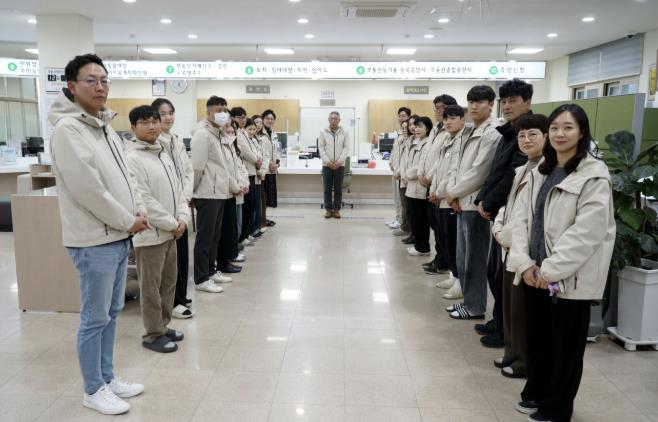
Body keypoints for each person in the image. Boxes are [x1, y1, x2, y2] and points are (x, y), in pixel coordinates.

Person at [49, 54, 146, 415]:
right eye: (91, 80)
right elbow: (88, 189)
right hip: (94, 239)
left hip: (117, 235)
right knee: (94, 317)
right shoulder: (68, 129)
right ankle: (93, 388)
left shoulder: (104, 126)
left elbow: (126, 176)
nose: (100, 87)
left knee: (112, 311)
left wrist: (138, 210)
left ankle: (107, 376)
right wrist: (126, 219)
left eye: (104, 80)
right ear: (72, 87)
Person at [509, 104, 615, 422]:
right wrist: (525, 264)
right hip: (533, 273)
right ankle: (536, 392)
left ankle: (557, 407)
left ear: (581, 133)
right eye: (555, 127)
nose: (560, 134)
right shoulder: (541, 170)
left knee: (564, 347)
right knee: (538, 340)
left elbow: (587, 232)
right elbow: (521, 220)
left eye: (568, 127)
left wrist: (550, 270)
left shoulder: (593, 174)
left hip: (568, 278)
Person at [125, 105, 190, 353]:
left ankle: (163, 325)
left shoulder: (162, 153)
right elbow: (143, 200)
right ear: (133, 128)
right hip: (151, 234)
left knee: (168, 283)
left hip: (171, 232)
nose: (152, 126)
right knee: (151, 288)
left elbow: (178, 190)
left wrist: (182, 218)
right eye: (145, 122)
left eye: (155, 121)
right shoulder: (132, 158)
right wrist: (173, 224)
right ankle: (152, 334)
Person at [475, 78, 533, 347]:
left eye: (513, 101)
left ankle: (504, 330)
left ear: (527, 102)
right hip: (499, 212)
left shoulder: (526, 132)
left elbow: (512, 175)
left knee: (505, 276)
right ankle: (498, 321)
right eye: (505, 101)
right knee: (494, 273)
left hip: (513, 214)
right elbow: (495, 171)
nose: (507, 106)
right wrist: (483, 199)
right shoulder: (508, 132)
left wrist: (489, 202)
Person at [492, 113, 549, 379]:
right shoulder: (523, 168)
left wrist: (506, 235)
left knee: (522, 310)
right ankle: (511, 352)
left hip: (523, 249)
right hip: (510, 245)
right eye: (522, 135)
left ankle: (523, 361)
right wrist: (498, 227)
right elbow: (509, 206)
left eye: (532, 134)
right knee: (509, 306)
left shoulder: (547, 171)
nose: (526, 140)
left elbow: (529, 216)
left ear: (546, 136)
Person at [443, 87, 502, 320]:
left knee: (474, 260)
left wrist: (452, 193)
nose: (474, 106)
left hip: (475, 204)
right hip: (460, 201)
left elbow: (479, 171)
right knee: (462, 258)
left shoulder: (493, 132)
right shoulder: (469, 131)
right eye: (471, 101)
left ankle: (475, 306)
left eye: (480, 101)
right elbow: (456, 167)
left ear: (491, 104)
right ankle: (468, 301)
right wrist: (453, 194)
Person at [152, 98, 194, 320]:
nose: (168, 117)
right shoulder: (154, 143)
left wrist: (184, 198)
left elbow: (188, 172)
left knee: (182, 256)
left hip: (181, 205)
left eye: (171, 112)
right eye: (163, 113)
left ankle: (180, 296)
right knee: (168, 260)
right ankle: (172, 302)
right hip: (165, 208)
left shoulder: (176, 141)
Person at [191, 96, 233, 294]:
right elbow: (197, 167)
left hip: (219, 192)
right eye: (218, 110)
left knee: (215, 237)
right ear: (208, 113)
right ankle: (201, 278)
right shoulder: (203, 134)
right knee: (205, 238)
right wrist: (191, 192)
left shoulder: (218, 133)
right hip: (207, 192)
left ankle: (211, 270)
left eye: (225, 109)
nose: (223, 113)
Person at [429, 106, 471, 300]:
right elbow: (438, 168)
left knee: (455, 244)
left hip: (450, 198)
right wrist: (434, 190)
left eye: (453, 118)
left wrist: (439, 192)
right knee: (445, 240)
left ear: (462, 119)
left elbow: (452, 172)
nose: (448, 122)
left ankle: (460, 283)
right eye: (446, 119)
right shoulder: (447, 139)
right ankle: (453, 276)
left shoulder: (463, 140)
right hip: (440, 198)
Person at [420, 94, 457, 275]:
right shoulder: (436, 129)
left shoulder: (450, 132)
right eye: (436, 108)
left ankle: (444, 262)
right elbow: (427, 155)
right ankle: (439, 258)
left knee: (444, 229)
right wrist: (422, 175)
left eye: (440, 108)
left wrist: (430, 178)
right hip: (431, 184)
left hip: (440, 185)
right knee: (435, 225)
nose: (437, 111)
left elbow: (443, 163)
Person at [216, 123, 248, 274]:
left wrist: (243, 184)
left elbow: (240, 169)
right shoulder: (221, 146)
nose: (230, 134)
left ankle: (231, 255)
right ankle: (224, 261)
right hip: (227, 191)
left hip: (236, 189)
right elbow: (225, 171)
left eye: (232, 131)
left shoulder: (234, 148)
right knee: (227, 230)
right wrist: (236, 187)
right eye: (227, 131)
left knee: (235, 225)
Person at [404, 115, 433, 256]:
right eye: (415, 126)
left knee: (422, 220)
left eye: (420, 126)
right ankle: (418, 245)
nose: (416, 129)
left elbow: (422, 165)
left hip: (420, 187)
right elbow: (408, 162)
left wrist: (407, 174)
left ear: (427, 128)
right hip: (411, 187)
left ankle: (423, 248)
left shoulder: (428, 144)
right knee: (414, 219)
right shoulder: (416, 142)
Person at [318, 111, 350, 218]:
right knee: (327, 189)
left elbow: (346, 148)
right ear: (328, 120)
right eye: (331, 118)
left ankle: (336, 209)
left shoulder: (344, 132)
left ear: (339, 120)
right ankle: (328, 209)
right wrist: (328, 162)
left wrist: (339, 162)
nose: (333, 120)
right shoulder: (323, 132)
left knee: (338, 189)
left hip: (339, 165)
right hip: (327, 165)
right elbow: (321, 148)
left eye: (335, 118)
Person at [386, 106, 410, 229]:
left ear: (409, 117)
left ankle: (401, 221)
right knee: (396, 198)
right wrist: (391, 162)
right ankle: (397, 218)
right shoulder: (398, 133)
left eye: (404, 116)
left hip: (401, 173)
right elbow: (394, 151)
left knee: (402, 200)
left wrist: (400, 170)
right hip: (395, 171)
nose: (401, 118)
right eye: (399, 116)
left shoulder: (408, 134)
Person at [392, 116, 415, 238]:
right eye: (403, 128)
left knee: (408, 207)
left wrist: (404, 174)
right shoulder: (404, 142)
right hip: (401, 176)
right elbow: (400, 160)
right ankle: (405, 227)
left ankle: (408, 229)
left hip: (409, 178)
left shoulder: (413, 142)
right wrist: (398, 171)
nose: (405, 130)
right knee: (403, 205)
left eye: (408, 127)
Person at [397, 115, 418, 244]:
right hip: (404, 177)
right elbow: (403, 161)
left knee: (412, 210)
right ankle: (411, 233)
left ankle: (413, 234)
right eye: (409, 125)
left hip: (412, 179)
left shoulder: (420, 141)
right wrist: (401, 173)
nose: (411, 127)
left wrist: (406, 175)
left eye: (413, 124)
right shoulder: (408, 141)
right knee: (407, 207)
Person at [260, 109, 279, 227]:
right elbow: (261, 153)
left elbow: (277, 151)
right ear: (263, 119)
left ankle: (264, 218)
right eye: (267, 118)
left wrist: (276, 164)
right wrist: (269, 164)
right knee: (263, 197)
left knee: (268, 197)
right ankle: (261, 220)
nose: (270, 120)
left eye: (272, 119)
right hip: (264, 170)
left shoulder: (274, 134)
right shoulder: (259, 133)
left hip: (272, 170)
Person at [252, 115, 267, 235]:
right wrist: (259, 169)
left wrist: (263, 170)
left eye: (261, 123)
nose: (259, 125)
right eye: (256, 122)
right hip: (254, 173)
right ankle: (255, 227)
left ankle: (260, 224)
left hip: (261, 173)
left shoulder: (261, 138)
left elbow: (265, 156)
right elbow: (253, 157)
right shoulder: (250, 138)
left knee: (261, 201)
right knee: (255, 203)